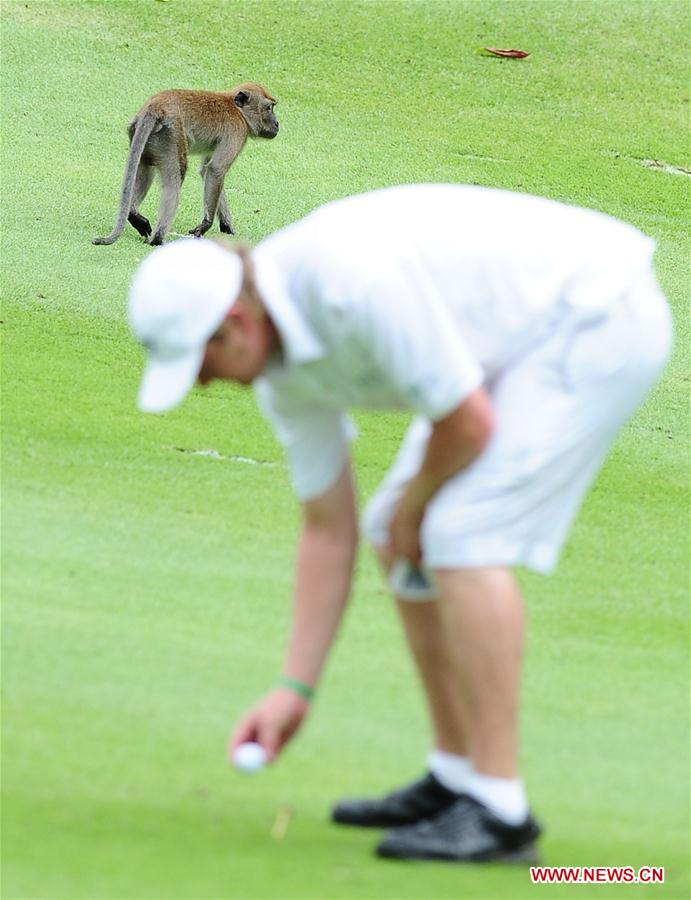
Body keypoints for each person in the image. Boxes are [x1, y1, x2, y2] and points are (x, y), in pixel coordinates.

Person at [127, 184, 672, 863]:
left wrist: (419, 506)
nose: (203, 383)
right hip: (520, 335)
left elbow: (466, 423)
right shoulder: (276, 366)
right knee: (393, 528)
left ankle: (499, 810)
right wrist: (294, 690)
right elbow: (329, 528)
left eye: (199, 363)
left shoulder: (347, 286)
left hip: (595, 314)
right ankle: (456, 776)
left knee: (459, 532)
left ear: (235, 321)